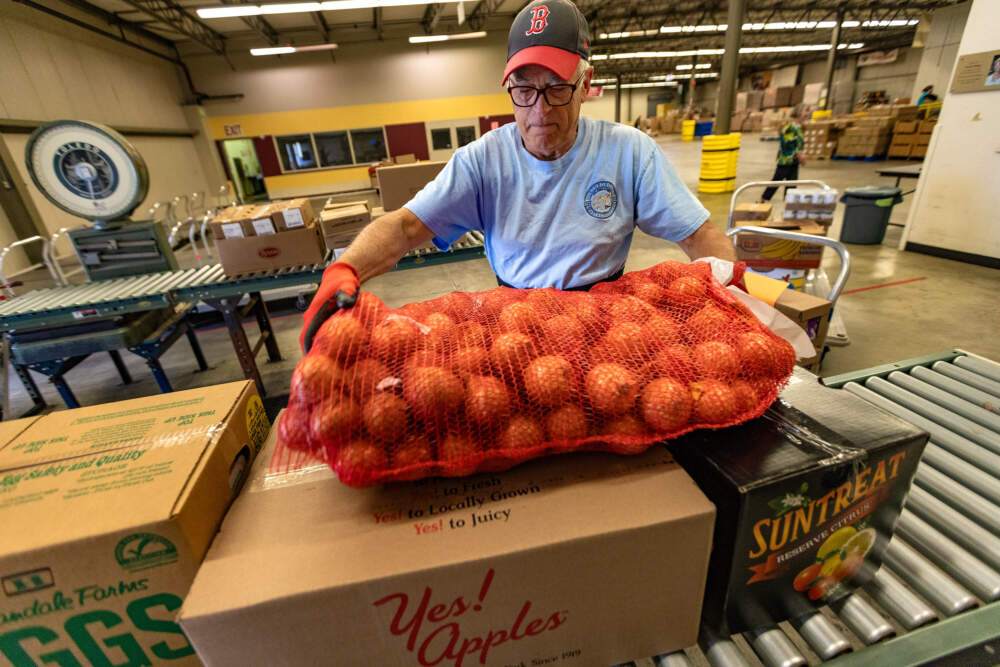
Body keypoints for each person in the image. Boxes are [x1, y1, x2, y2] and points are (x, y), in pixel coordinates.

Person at [300, 0, 735, 352]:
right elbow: (404, 226)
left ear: (586, 84)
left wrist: (734, 290)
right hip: (514, 332)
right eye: (524, 90)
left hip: (608, 330)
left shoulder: (629, 152)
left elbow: (700, 236)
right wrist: (344, 269)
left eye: (556, 87)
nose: (539, 110)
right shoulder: (482, 162)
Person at [760, 107, 806, 203]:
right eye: (805, 111)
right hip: (785, 160)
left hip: (794, 161)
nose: (807, 113)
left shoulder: (799, 127)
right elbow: (786, 143)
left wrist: (802, 153)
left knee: (792, 185)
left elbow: (799, 143)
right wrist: (798, 154)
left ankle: (789, 206)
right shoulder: (789, 127)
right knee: (777, 181)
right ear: (798, 112)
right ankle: (762, 199)